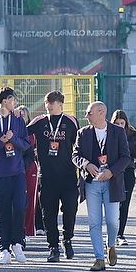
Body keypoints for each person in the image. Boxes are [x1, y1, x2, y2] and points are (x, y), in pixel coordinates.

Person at [73, 101, 131, 271]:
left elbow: (125, 157)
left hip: (111, 182)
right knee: (94, 222)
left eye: (88, 113)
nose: (86, 116)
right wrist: (86, 164)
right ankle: (99, 258)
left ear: (101, 113)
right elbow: (75, 155)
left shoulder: (118, 132)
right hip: (92, 184)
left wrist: (111, 172)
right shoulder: (82, 133)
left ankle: (111, 245)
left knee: (113, 221)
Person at [0, 88, 31, 266]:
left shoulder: (17, 119)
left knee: (19, 208)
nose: (15, 103)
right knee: (2, 213)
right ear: (4, 101)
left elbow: (26, 144)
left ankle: (17, 244)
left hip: (17, 172)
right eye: (12, 100)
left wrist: (13, 139)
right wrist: (0, 142)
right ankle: (3, 249)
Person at [28, 91, 80, 262]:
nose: (48, 105)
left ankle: (68, 240)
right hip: (47, 176)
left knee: (70, 210)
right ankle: (53, 247)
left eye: (52, 102)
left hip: (68, 176)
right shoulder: (40, 121)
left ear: (60, 104)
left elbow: (79, 145)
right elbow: (22, 134)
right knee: (48, 213)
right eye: (46, 102)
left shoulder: (70, 121)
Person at [110, 110, 136, 246]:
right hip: (113, 172)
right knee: (113, 203)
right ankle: (112, 232)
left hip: (128, 170)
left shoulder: (132, 134)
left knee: (125, 203)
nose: (119, 126)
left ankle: (120, 234)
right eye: (117, 123)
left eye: (122, 123)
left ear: (126, 123)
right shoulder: (109, 133)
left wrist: (134, 163)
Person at [16, 105, 39, 238]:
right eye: (20, 114)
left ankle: (29, 230)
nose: (22, 116)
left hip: (30, 168)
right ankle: (17, 229)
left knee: (30, 199)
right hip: (15, 168)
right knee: (17, 200)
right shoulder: (14, 130)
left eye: (24, 114)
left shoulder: (33, 132)